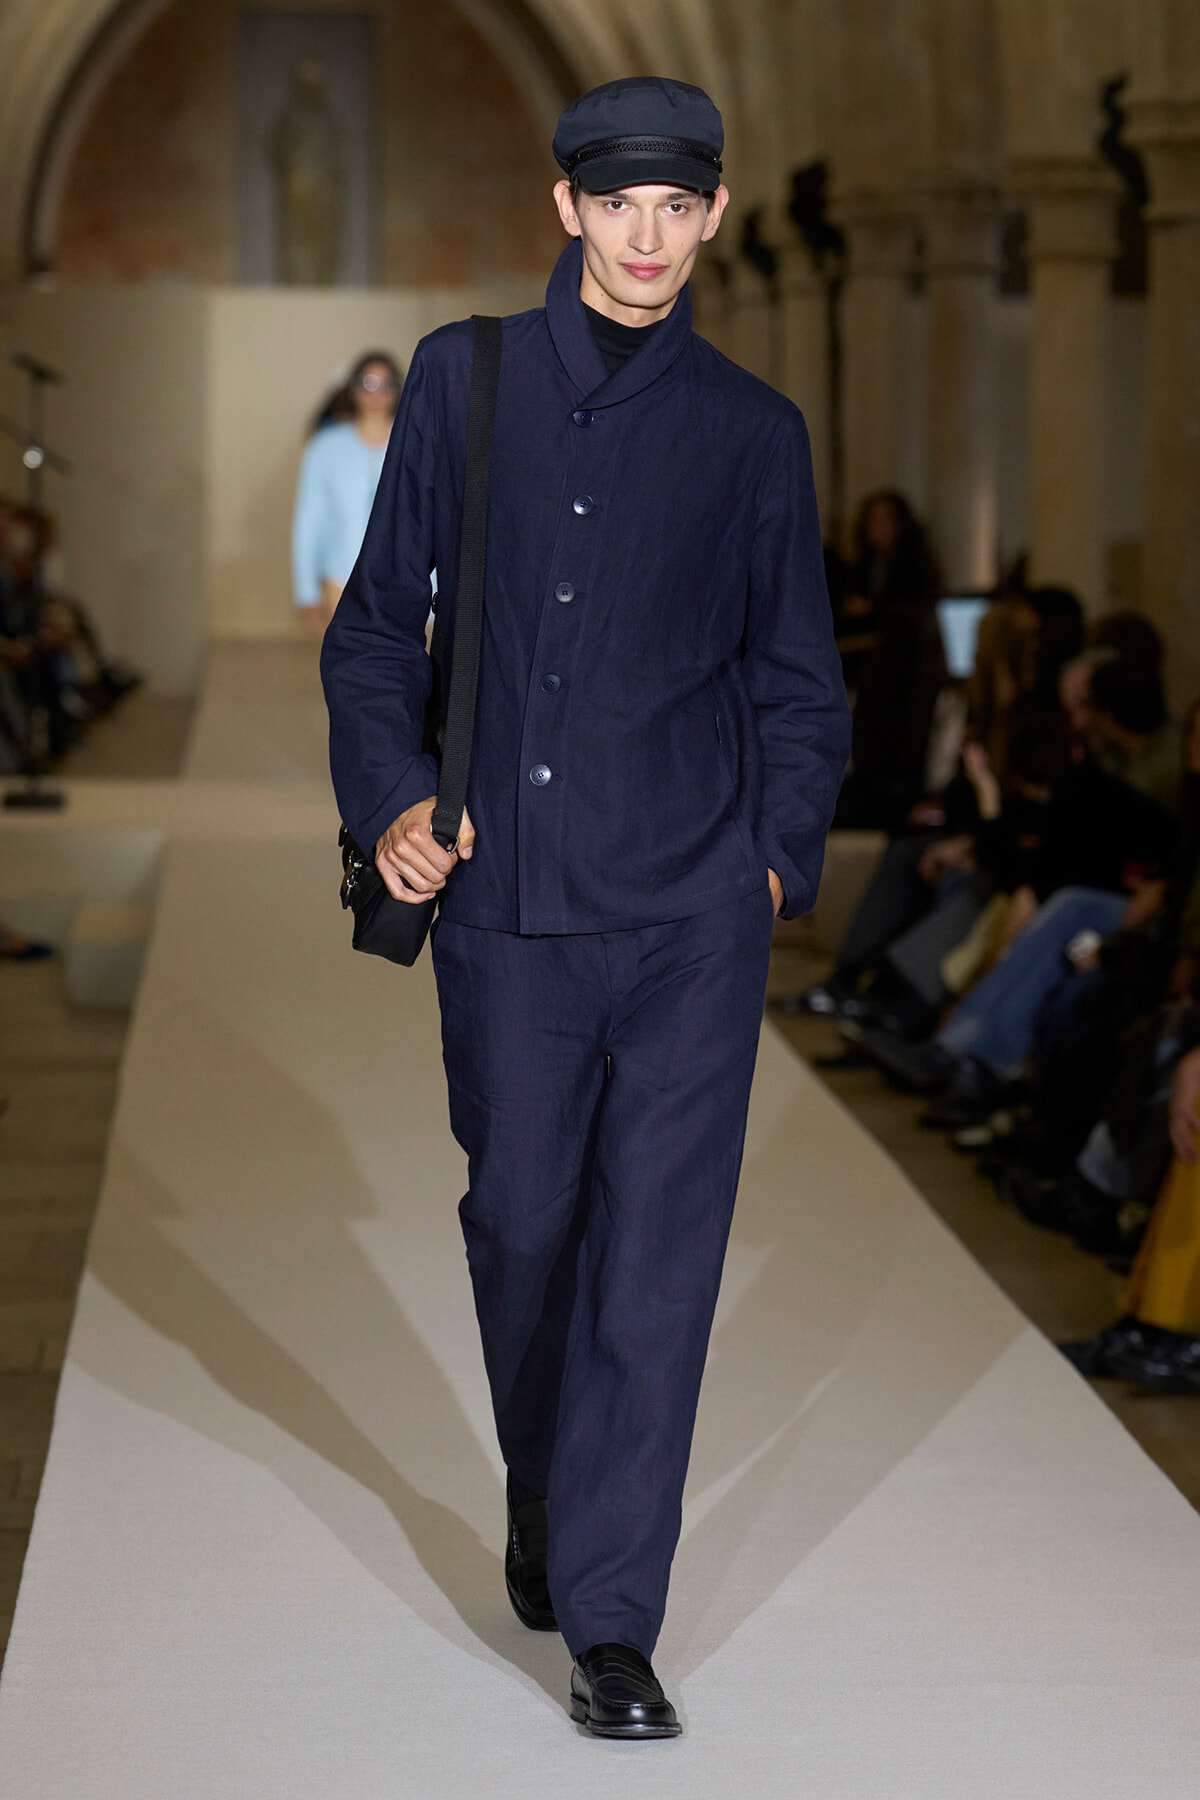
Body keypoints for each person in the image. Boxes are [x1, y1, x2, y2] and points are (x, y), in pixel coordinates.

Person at [320, 75, 850, 1738]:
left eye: (676, 207)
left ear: (709, 216)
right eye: (615, 203)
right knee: (525, 1222)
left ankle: (613, 1621)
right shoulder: (466, 383)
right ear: (566, 208)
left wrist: (774, 859)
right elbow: (367, 645)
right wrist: (394, 801)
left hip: (693, 914)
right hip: (508, 914)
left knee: (660, 1265)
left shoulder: (756, 433)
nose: (645, 237)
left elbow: (799, 683)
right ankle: (548, 1493)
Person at [834, 490, 946, 828]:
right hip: (867, 672)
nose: (878, 530)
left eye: (885, 521)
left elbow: (910, 619)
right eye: (873, 522)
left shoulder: (914, 568)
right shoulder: (863, 567)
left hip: (902, 677)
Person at [291, 350, 403, 637]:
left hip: (408, 579)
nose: (377, 394)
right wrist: (306, 591)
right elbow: (309, 519)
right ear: (354, 388)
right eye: (368, 383)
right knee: (350, 672)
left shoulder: (417, 446)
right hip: (342, 576)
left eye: (386, 384)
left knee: (407, 675)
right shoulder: (326, 447)